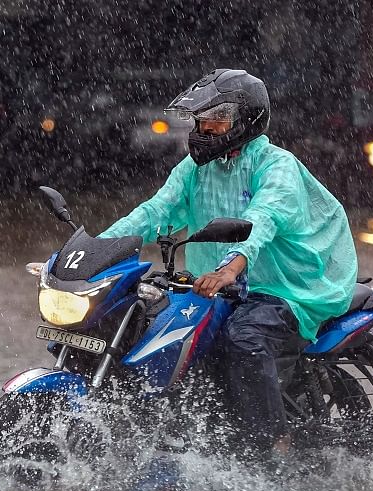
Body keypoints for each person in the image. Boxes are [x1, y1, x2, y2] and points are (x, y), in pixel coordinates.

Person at [99, 69, 358, 464]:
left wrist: (229, 269)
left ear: (245, 121)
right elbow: (156, 211)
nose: (204, 129)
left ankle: (271, 446)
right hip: (215, 285)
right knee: (149, 322)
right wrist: (96, 251)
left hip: (287, 288)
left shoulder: (276, 166)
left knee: (243, 337)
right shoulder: (194, 168)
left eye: (216, 120)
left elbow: (263, 218)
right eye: (200, 121)